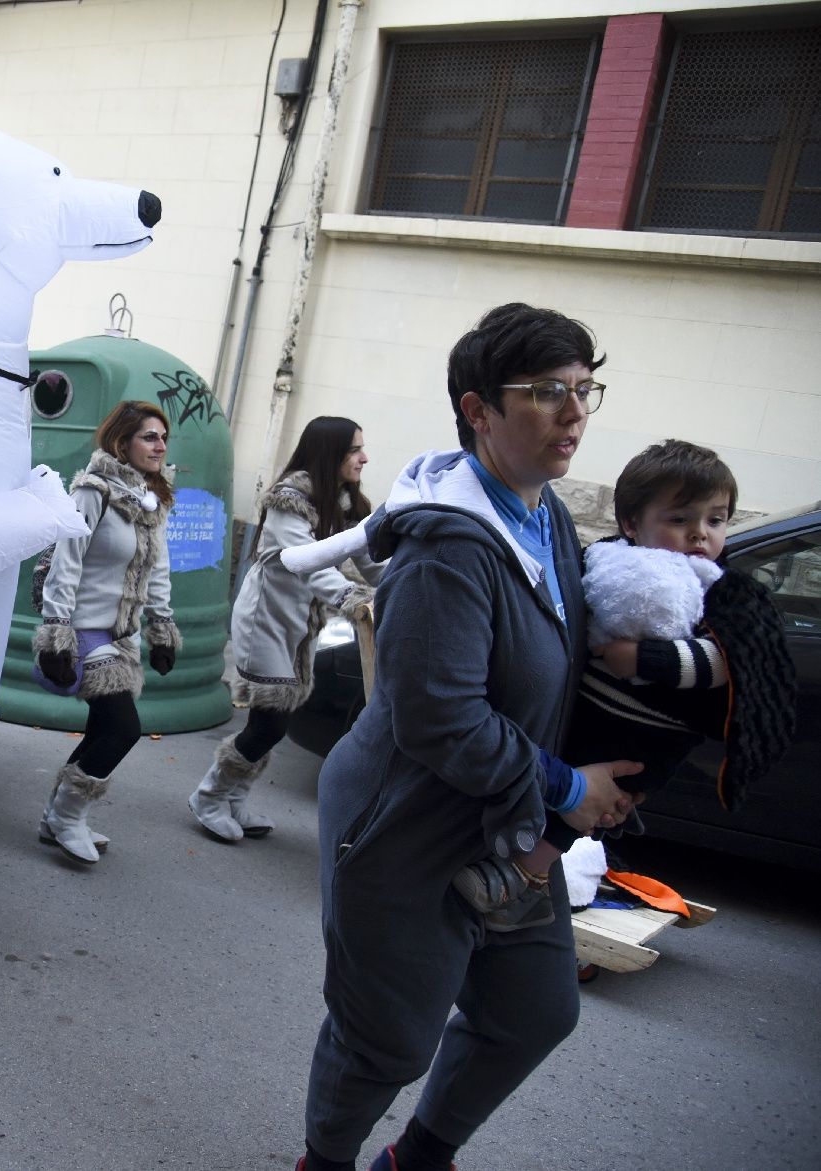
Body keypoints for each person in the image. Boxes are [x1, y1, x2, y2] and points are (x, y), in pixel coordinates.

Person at [297, 304, 643, 1171]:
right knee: (388, 1040)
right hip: (403, 826)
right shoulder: (449, 547)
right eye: (546, 392)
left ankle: (418, 1156)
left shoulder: (546, 514)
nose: (575, 412)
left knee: (535, 1011)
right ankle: (326, 1162)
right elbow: (440, 720)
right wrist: (568, 788)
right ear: (478, 409)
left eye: (583, 389)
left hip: (504, 828)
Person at [454, 438, 796, 928]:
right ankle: (510, 864)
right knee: (549, 784)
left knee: (588, 805)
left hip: (648, 740)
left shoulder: (722, 589)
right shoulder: (606, 559)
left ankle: (519, 879)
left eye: (715, 521)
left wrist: (644, 658)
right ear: (632, 524)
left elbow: (729, 661)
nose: (700, 535)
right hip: (584, 714)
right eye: (679, 519)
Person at [190, 417, 381, 843]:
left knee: (276, 717)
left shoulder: (345, 504)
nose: (364, 458)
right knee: (270, 722)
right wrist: (353, 599)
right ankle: (210, 796)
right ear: (330, 453)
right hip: (267, 622)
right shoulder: (288, 502)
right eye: (355, 450)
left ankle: (234, 799)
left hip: (300, 625)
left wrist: (409, 579)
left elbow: (370, 562)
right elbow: (308, 562)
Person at [32, 400, 181, 864]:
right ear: (122, 441)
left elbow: (158, 569)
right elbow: (65, 561)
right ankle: (65, 818)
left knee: (102, 726)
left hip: (122, 636)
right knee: (123, 729)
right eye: (149, 437)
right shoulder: (92, 491)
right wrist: (57, 630)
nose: (160, 445)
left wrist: (162, 625)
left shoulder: (152, 499)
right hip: (84, 630)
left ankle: (58, 815)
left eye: (163, 437)